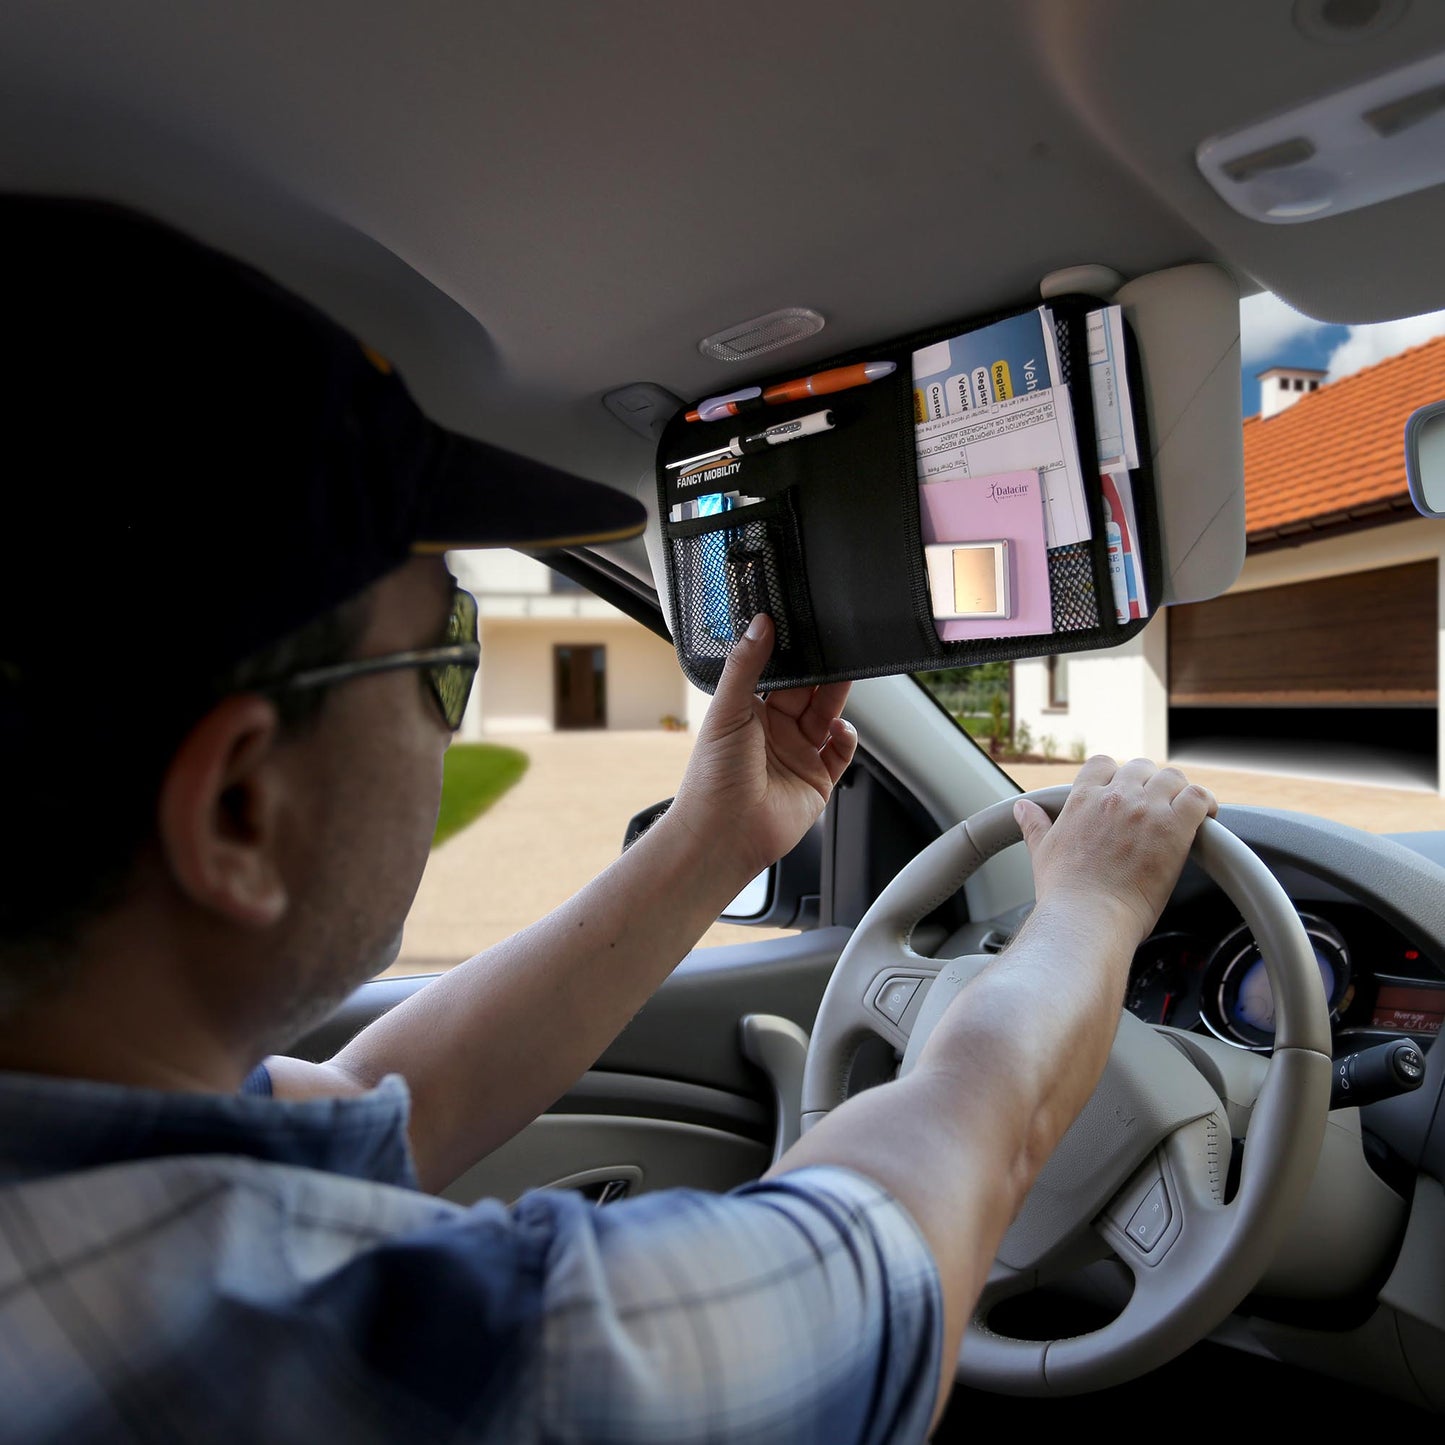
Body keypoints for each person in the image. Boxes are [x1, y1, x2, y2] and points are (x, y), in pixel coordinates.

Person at [0, 195, 1217, 1444]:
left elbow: (364, 1105)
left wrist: (704, 844)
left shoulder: (79, 1138)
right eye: (440, 656)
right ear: (239, 805)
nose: (446, 720)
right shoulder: (431, 1356)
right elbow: (902, 1229)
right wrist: (1092, 907)